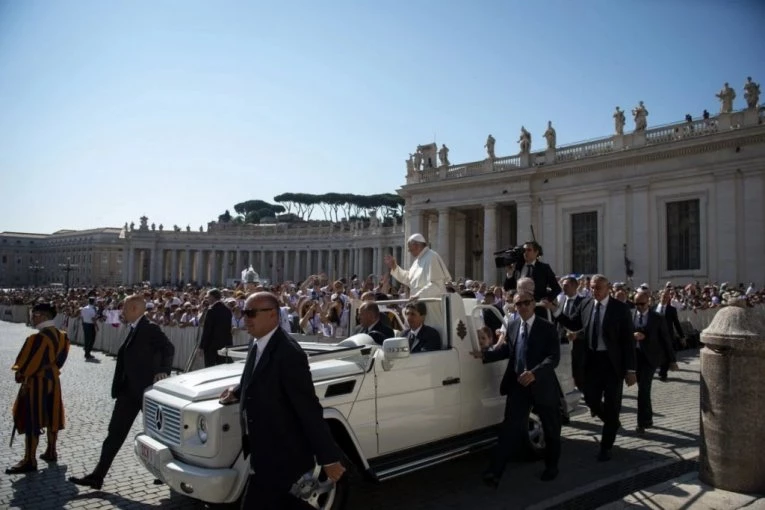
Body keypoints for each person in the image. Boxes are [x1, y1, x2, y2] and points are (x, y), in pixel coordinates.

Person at [218, 292, 345, 509]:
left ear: (273, 316)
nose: (245, 318)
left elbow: (308, 409)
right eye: (243, 312)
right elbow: (257, 376)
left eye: (251, 313)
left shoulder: (289, 353)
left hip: (284, 455)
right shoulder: (257, 342)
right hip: (265, 451)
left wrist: (329, 458)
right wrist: (237, 392)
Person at [69, 294, 174, 490]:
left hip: (144, 392)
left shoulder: (150, 328)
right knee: (114, 434)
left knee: (161, 436)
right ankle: (97, 476)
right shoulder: (133, 328)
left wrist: (162, 371)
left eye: (124, 308)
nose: (121, 312)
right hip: (128, 392)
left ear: (135, 309)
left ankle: (169, 474)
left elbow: (168, 348)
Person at [473, 291, 561, 487]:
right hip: (518, 386)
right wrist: (485, 355)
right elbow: (508, 351)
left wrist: (535, 373)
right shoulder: (512, 326)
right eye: (518, 304)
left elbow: (553, 358)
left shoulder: (546, 328)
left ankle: (551, 467)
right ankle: (495, 472)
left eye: (526, 303)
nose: (522, 307)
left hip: (542, 386)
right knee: (509, 429)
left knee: (550, 428)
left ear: (533, 304)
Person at [547, 274, 636, 461]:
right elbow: (573, 323)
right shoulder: (586, 305)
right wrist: (555, 310)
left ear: (608, 288)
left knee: (612, 405)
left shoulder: (620, 309)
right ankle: (612, 422)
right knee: (591, 399)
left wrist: (630, 370)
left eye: (598, 288)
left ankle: (606, 446)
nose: (594, 291)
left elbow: (628, 341)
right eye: (592, 287)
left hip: (612, 364)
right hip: (592, 361)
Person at [6, 302, 70, 474]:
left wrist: (20, 376)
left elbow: (26, 365)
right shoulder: (63, 336)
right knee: (52, 414)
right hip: (53, 381)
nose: (32, 318)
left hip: (35, 383)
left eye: (34, 315)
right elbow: (60, 361)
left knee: (32, 417)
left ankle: (30, 460)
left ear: (41, 316)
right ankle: (51, 451)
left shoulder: (37, 338)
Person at [384, 233, 451, 328]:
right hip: (417, 307)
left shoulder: (432, 256)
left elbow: (437, 285)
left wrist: (418, 295)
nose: (408, 250)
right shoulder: (417, 261)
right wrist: (395, 267)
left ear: (416, 245)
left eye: (409, 247)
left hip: (430, 307)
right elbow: (409, 279)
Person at [632, 291, 676, 434]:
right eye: (636, 304)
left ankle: (641, 423)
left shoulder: (657, 318)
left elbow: (666, 339)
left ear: (649, 302)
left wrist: (672, 360)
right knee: (643, 390)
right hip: (634, 357)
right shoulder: (630, 315)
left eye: (642, 304)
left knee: (643, 389)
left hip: (650, 358)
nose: (639, 307)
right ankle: (648, 418)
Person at [655, 289, 686, 381]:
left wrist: (682, 336)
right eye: (663, 296)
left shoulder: (672, 310)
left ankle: (663, 373)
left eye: (667, 297)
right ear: (659, 297)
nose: (665, 298)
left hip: (667, 336)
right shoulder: (653, 308)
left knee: (665, 354)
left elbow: (676, 323)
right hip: (655, 336)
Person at [197, 288, 233, 367]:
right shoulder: (227, 310)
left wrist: (202, 346)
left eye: (208, 297)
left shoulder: (211, 310)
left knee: (210, 369)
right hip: (224, 345)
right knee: (223, 368)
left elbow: (207, 330)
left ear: (213, 297)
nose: (207, 299)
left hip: (211, 346)